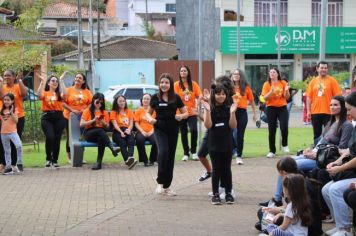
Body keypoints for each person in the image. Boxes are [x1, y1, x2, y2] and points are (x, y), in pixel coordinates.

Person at [256, 157, 322, 236]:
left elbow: (289, 218)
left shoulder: (293, 185)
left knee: (271, 220)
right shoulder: (298, 182)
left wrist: (280, 213)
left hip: (308, 228)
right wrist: (276, 210)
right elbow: (295, 210)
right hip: (304, 224)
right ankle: (266, 226)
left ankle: (266, 227)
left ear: (283, 172)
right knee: (263, 212)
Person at [146, 73, 188, 196]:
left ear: (170, 84)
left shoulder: (176, 97)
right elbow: (148, 113)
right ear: (159, 84)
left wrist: (180, 116)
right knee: (163, 152)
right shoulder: (155, 97)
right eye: (162, 82)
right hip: (159, 128)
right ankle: (159, 182)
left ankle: (167, 186)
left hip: (173, 129)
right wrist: (150, 119)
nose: (164, 85)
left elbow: (186, 113)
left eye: (166, 82)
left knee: (170, 157)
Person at [321, 91, 356, 236]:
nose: (347, 113)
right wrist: (336, 162)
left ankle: (345, 229)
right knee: (326, 189)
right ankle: (339, 225)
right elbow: (350, 150)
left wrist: (339, 168)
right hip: (351, 169)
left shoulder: (348, 126)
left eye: (349, 109)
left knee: (334, 189)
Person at [201, 79, 237, 205]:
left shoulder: (228, 108)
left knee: (227, 169)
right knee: (216, 169)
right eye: (218, 94)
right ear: (213, 95)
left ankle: (228, 193)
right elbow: (208, 125)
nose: (221, 96)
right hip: (214, 143)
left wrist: (232, 113)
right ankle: (215, 194)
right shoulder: (210, 108)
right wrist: (207, 111)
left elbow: (232, 126)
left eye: (223, 94)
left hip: (227, 143)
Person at [80, 93, 120, 170]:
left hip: (100, 134)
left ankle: (99, 163)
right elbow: (81, 124)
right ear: (93, 101)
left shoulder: (104, 112)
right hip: (89, 133)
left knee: (101, 138)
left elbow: (108, 128)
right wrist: (93, 120)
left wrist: (103, 123)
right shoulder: (87, 111)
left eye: (101, 102)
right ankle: (112, 148)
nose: (99, 104)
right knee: (100, 131)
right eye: (97, 102)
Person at [306, 61, 342, 145]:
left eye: (325, 68)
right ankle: (316, 151)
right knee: (316, 135)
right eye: (322, 68)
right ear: (317, 69)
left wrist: (338, 110)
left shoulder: (332, 81)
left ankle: (328, 151)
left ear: (327, 69)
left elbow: (338, 97)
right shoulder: (313, 82)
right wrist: (308, 111)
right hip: (315, 112)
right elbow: (309, 97)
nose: (324, 69)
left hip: (329, 112)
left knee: (329, 134)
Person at [37, 72, 67, 168]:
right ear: (49, 83)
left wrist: (61, 80)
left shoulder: (59, 94)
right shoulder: (45, 93)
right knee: (50, 137)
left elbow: (66, 94)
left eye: (56, 81)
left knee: (57, 139)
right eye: (53, 80)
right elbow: (39, 95)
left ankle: (55, 160)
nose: (55, 82)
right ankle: (48, 158)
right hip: (47, 117)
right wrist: (42, 82)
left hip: (59, 117)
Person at [0, 70, 28, 171]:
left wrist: (19, 79)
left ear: (13, 77)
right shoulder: (2, 87)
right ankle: (3, 163)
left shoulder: (17, 86)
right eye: (5, 75)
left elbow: (24, 93)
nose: (6, 77)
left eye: (9, 75)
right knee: (3, 142)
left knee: (16, 141)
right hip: (4, 117)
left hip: (18, 117)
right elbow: (1, 97)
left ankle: (14, 164)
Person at [174, 65, 202, 161]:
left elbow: (200, 95)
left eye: (185, 71)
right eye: (181, 71)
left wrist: (197, 105)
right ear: (179, 73)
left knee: (194, 130)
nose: (183, 72)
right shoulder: (176, 84)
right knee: (183, 133)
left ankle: (194, 152)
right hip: (181, 113)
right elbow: (174, 98)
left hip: (191, 112)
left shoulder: (193, 84)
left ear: (188, 72)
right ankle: (186, 153)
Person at [63, 73, 92, 163]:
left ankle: (80, 157)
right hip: (70, 117)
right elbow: (63, 103)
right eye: (76, 77)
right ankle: (70, 157)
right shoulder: (68, 90)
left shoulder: (87, 91)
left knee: (81, 137)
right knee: (70, 137)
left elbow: (91, 103)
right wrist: (72, 110)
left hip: (83, 118)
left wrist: (86, 109)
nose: (77, 79)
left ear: (83, 81)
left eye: (80, 78)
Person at [261, 68, 290, 158]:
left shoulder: (283, 83)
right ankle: (272, 151)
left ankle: (284, 144)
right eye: (270, 72)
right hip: (271, 108)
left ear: (278, 74)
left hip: (282, 107)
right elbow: (265, 98)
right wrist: (271, 91)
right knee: (272, 130)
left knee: (284, 126)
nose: (272, 73)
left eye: (274, 72)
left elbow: (287, 97)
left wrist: (286, 90)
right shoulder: (267, 84)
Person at [230, 68, 257, 165]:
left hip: (242, 112)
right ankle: (233, 149)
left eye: (238, 74)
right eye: (234, 74)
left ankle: (239, 155)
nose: (236, 76)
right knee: (231, 133)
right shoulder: (228, 87)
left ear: (241, 76)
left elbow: (252, 101)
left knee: (239, 135)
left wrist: (254, 114)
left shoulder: (246, 88)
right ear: (232, 76)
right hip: (232, 112)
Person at [111, 95, 137, 169]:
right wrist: (120, 132)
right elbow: (115, 125)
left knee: (131, 140)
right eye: (120, 101)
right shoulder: (114, 112)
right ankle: (128, 161)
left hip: (127, 130)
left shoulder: (129, 111)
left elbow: (131, 123)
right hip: (117, 131)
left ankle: (130, 159)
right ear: (116, 102)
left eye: (123, 101)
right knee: (122, 142)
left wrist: (129, 129)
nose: (122, 103)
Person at [0, 93, 23, 175]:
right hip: (3, 133)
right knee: (7, 151)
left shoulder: (15, 109)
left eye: (8, 100)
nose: (6, 101)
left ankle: (19, 163)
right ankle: (8, 168)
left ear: (12, 101)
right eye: (5, 100)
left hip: (13, 132)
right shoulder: (1, 110)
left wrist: (11, 113)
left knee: (19, 145)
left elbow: (16, 121)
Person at [134, 93, 157, 167]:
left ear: (151, 100)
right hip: (141, 131)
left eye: (148, 99)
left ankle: (152, 160)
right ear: (142, 100)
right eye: (144, 98)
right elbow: (136, 123)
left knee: (156, 140)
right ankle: (145, 160)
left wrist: (152, 131)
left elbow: (157, 122)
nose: (146, 100)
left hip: (152, 131)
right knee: (139, 140)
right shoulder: (138, 110)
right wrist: (142, 131)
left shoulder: (154, 110)